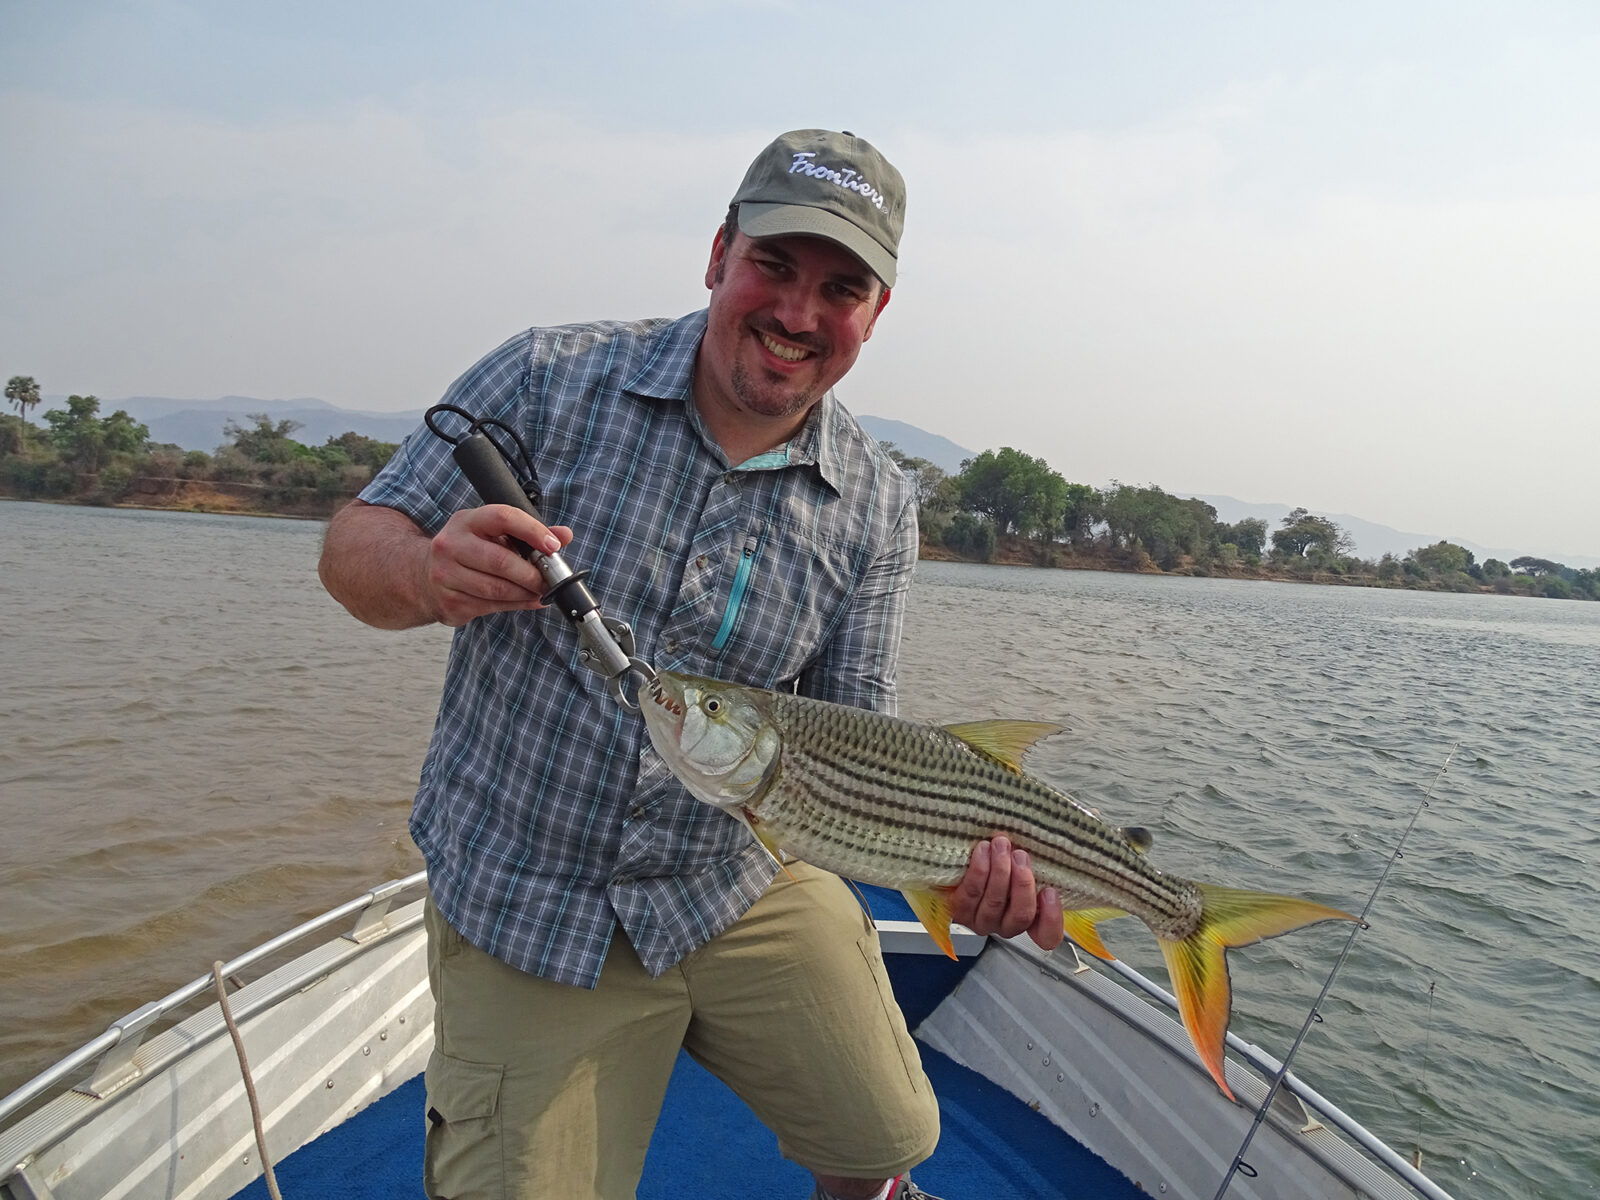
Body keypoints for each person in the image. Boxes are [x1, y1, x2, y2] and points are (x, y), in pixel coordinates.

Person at [319, 128, 1064, 1200]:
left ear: (875, 314)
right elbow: (353, 548)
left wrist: (966, 870)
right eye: (774, 265)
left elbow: (858, 732)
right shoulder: (545, 377)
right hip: (531, 898)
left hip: (734, 878)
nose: (798, 313)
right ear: (719, 254)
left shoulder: (879, 503)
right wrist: (429, 570)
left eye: (840, 288)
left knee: (885, 1136)